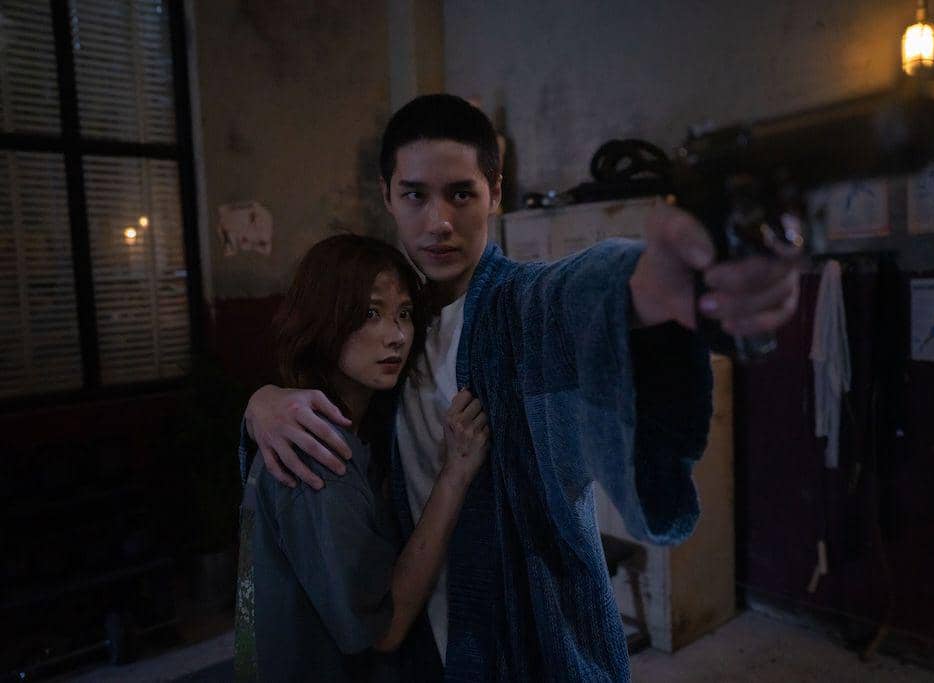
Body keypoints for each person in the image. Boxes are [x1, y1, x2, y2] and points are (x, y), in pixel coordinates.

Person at [241, 94, 801, 680]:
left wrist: (652, 283)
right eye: (415, 195)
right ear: (386, 195)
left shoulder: (519, 307)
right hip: (426, 651)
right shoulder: (399, 328)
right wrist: (262, 404)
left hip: (532, 647)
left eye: (462, 194)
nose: (439, 222)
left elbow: (572, 292)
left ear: (495, 192)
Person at [234, 234, 490, 681]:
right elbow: (383, 630)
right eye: (371, 313)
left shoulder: (359, 424)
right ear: (325, 319)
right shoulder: (317, 452)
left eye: (404, 314)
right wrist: (455, 474)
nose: (396, 336)